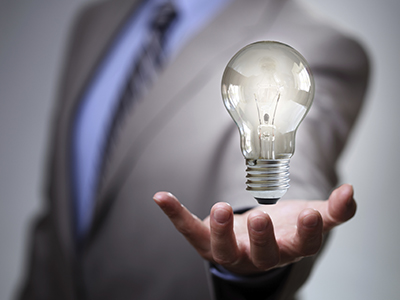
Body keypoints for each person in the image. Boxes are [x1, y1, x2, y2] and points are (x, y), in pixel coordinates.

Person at [16, 0, 369, 299]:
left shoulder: (314, 45)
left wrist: (262, 226)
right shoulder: (95, 21)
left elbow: (302, 150)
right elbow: (61, 208)